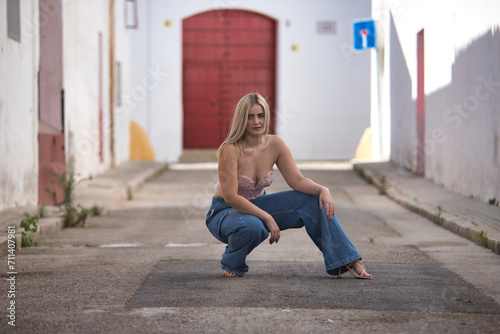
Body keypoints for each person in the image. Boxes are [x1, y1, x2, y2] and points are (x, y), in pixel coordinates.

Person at [205, 93, 372, 279]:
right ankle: (232, 262)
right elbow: (231, 197)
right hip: (225, 213)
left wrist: (323, 190)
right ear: (241, 119)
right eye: (250, 117)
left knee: (313, 200)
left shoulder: (275, 144)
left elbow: (297, 181)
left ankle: (347, 260)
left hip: (258, 204)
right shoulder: (231, 150)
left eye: (260, 115)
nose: (256, 121)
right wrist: (267, 217)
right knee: (252, 225)